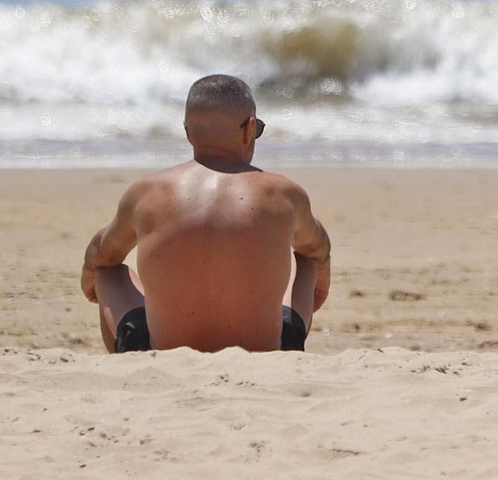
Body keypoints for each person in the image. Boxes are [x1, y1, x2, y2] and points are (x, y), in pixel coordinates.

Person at [80, 75, 332, 353]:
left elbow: (102, 253)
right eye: (257, 128)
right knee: (306, 260)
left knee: (108, 272)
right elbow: (318, 246)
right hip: (269, 352)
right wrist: (322, 279)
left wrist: (89, 276)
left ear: (188, 132)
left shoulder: (147, 192)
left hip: (161, 352)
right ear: (249, 130)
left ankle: (122, 360)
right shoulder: (283, 194)